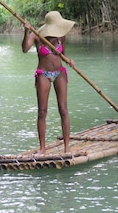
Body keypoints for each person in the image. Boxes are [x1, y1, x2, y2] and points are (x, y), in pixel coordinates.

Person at [22, 11, 76, 155]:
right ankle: (42, 148)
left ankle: (66, 147)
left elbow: (62, 53)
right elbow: (25, 49)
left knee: (63, 109)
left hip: (60, 73)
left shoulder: (61, 36)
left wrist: (69, 60)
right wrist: (26, 31)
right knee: (42, 111)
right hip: (43, 74)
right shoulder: (37, 35)